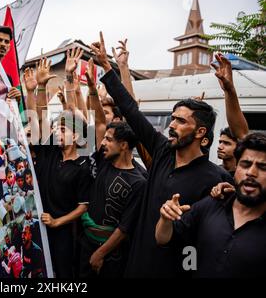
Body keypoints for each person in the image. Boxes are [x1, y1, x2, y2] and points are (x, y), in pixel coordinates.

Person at [90, 32, 233, 277]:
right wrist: (107, 66)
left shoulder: (215, 179)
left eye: (180, 121)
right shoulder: (163, 152)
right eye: (172, 119)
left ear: (200, 132)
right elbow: (131, 111)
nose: (171, 125)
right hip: (135, 264)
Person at [156, 133, 266, 278]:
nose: (251, 173)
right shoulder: (212, 204)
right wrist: (166, 218)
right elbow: (163, 239)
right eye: (245, 165)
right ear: (236, 167)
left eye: (263, 167)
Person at [23, 54, 93, 278]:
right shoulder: (50, 152)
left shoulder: (83, 165)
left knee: (60, 272)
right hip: (35, 225)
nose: (56, 132)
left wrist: (57, 221)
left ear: (78, 136)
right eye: (57, 129)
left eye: (63, 129)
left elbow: (83, 206)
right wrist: (40, 87)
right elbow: (40, 118)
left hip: (62, 232)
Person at [80, 59, 146, 278]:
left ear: (124, 145)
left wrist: (100, 253)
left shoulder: (139, 182)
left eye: (109, 139)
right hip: (85, 244)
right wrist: (90, 88)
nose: (103, 143)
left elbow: (124, 228)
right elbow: (100, 121)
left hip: (111, 256)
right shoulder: (102, 161)